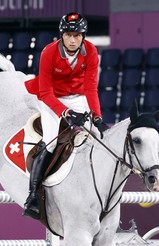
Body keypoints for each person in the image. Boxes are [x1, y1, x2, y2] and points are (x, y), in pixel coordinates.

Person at [23, 11, 109, 220]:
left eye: (77, 35)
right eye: (69, 35)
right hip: (52, 97)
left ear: (83, 36)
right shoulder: (48, 53)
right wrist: (66, 114)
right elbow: (45, 93)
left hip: (78, 96)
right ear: (62, 35)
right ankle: (33, 195)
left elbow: (90, 87)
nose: (72, 39)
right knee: (50, 142)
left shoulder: (91, 51)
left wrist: (97, 116)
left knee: (96, 135)